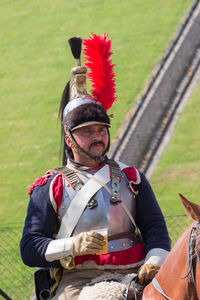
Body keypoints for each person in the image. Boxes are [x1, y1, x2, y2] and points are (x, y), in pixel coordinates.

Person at [20, 34, 171, 300]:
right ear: (69, 138)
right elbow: (30, 247)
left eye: (102, 130)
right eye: (87, 131)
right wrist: (73, 245)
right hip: (80, 281)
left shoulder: (131, 178)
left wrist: (155, 260)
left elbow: (155, 229)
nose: (98, 136)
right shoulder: (50, 186)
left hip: (139, 272)